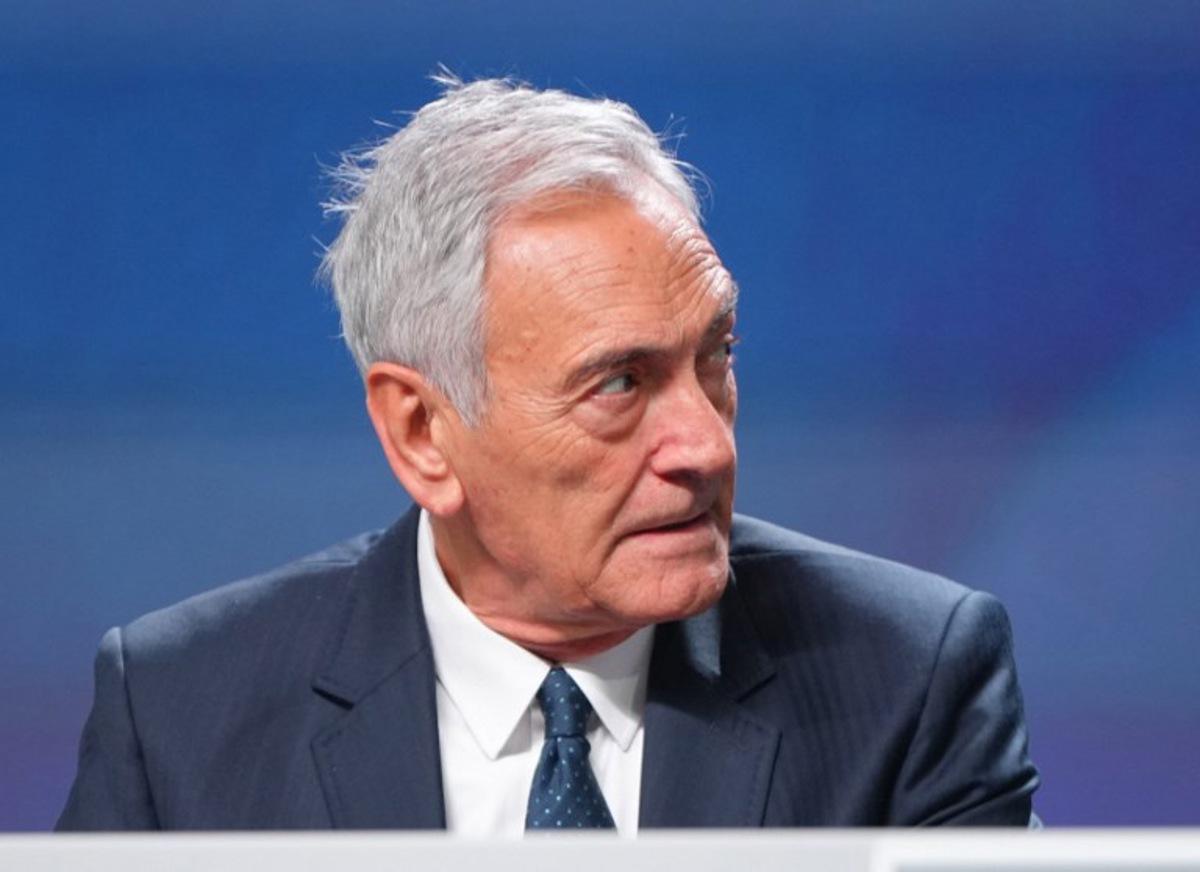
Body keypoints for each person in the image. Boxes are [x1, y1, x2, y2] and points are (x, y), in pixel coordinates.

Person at [58, 75, 1039, 833]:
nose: (704, 441)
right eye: (619, 383)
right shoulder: (181, 717)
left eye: (716, 357)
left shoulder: (907, 678)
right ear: (421, 432)